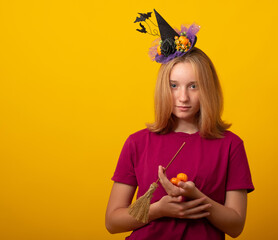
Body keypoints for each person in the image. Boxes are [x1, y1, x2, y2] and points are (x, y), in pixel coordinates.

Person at [105, 10, 254, 240]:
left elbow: (235, 226)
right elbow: (113, 222)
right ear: (163, 88)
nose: (183, 97)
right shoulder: (137, 143)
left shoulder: (230, 145)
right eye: (174, 85)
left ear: (208, 89)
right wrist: (158, 210)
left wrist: (198, 198)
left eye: (193, 86)